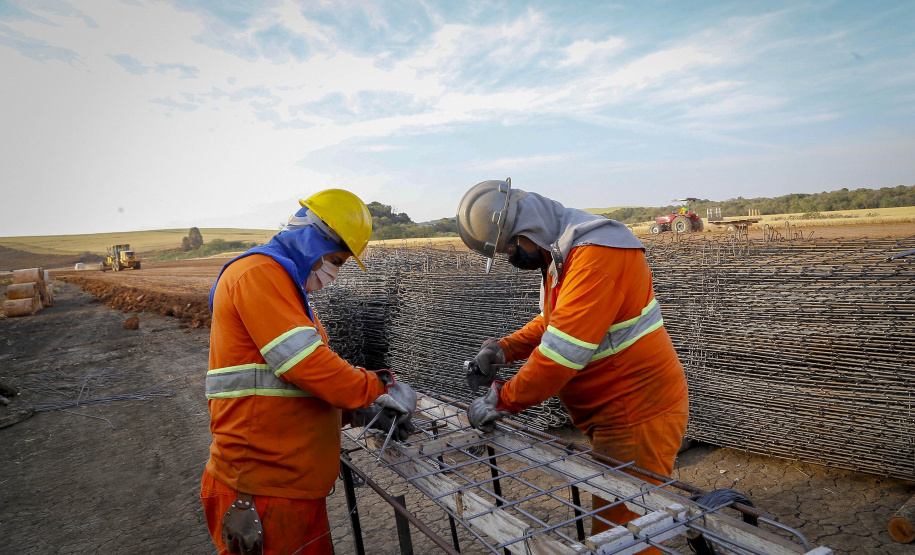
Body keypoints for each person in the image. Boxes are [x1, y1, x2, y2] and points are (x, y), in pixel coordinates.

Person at [457, 178, 688, 545]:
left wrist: (501, 400)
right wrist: (504, 349)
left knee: (624, 539)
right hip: (616, 412)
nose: (512, 257)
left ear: (526, 226)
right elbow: (556, 321)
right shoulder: (561, 253)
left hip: (637, 412)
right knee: (619, 527)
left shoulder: (595, 257)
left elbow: (559, 356)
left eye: (511, 247)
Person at [201, 189, 415, 555]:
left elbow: (287, 384)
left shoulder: (281, 285)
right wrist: (375, 387)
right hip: (264, 488)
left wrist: (351, 411)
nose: (334, 271)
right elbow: (307, 365)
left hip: (287, 483)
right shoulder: (258, 274)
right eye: (335, 259)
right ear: (311, 238)